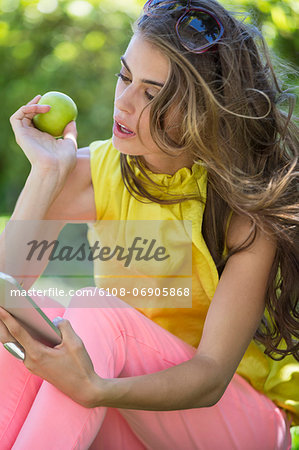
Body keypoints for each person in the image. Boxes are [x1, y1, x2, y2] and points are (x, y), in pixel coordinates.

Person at [0, 0, 298, 448]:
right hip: (130, 410)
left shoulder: (246, 205)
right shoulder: (93, 171)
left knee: (95, 315)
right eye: (125, 77)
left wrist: (98, 389)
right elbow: (7, 296)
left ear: (203, 109)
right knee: (32, 315)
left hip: (235, 421)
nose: (123, 103)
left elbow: (210, 376)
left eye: (152, 94)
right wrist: (45, 174)